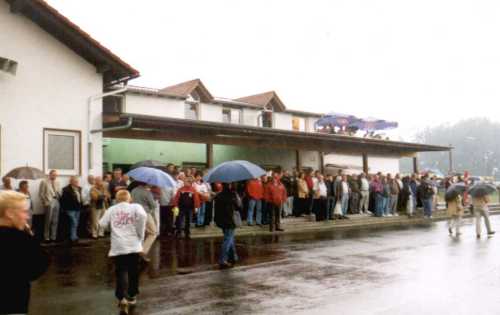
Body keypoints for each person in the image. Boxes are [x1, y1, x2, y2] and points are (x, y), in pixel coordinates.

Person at [0, 190, 49, 315]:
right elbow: (38, 267)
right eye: (24, 211)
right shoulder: (20, 239)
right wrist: (31, 237)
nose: (27, 216)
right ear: (9, 213)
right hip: (13, 304)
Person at [99, 190, 147, 312]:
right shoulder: (136, 207)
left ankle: (122, 298)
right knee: (133, 271)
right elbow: (143, 216)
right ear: (129, 198)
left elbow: (102, 224)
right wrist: (140, 234)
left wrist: (112, 226)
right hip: (133, 244)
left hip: (118, 245)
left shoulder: (112, 209)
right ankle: (131, 295)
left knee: (120, 271)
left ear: (117, 199)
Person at [214, 183, 240, 269]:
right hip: (230, 220)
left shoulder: (219, 195)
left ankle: (233, 257)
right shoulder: (232, 195)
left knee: (230, 237)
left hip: (221, 220)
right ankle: (222, 260)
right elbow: (238, 207)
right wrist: (237, 196)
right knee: (228, 239)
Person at [131, 182, 157, 259]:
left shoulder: (133, 190)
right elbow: (153, 205)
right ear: (146, 183)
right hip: (145, 213)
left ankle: (135, 250)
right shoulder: (147, 192)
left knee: (140, 232)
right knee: (153, 232)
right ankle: (143, 251)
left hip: (134, 213)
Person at [39, 169, 61, 242]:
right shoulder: (44, 182)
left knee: (55, 220)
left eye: (56, 175)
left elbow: (59, 191)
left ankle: (53, 237)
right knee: (48, 220)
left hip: (56, 201)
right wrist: (45, 202)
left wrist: (59, 195)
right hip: (49, 202)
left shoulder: (57, 182)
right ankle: (46, 237)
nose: (55, 176)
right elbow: (41, 194)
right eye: (53, 175)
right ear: (50, 174)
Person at [60, 176, 84, 243]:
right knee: (74, 222)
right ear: (71, 182)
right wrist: (64, 209)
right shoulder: (66, 189)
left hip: (78, 208)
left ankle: (74, 236)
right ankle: (73, 237)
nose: (77, 183)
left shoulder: (79, 188)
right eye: (75, 181)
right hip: (70, 209)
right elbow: (63, 200)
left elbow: (81, 198)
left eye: (77, 181)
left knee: (76, 223)